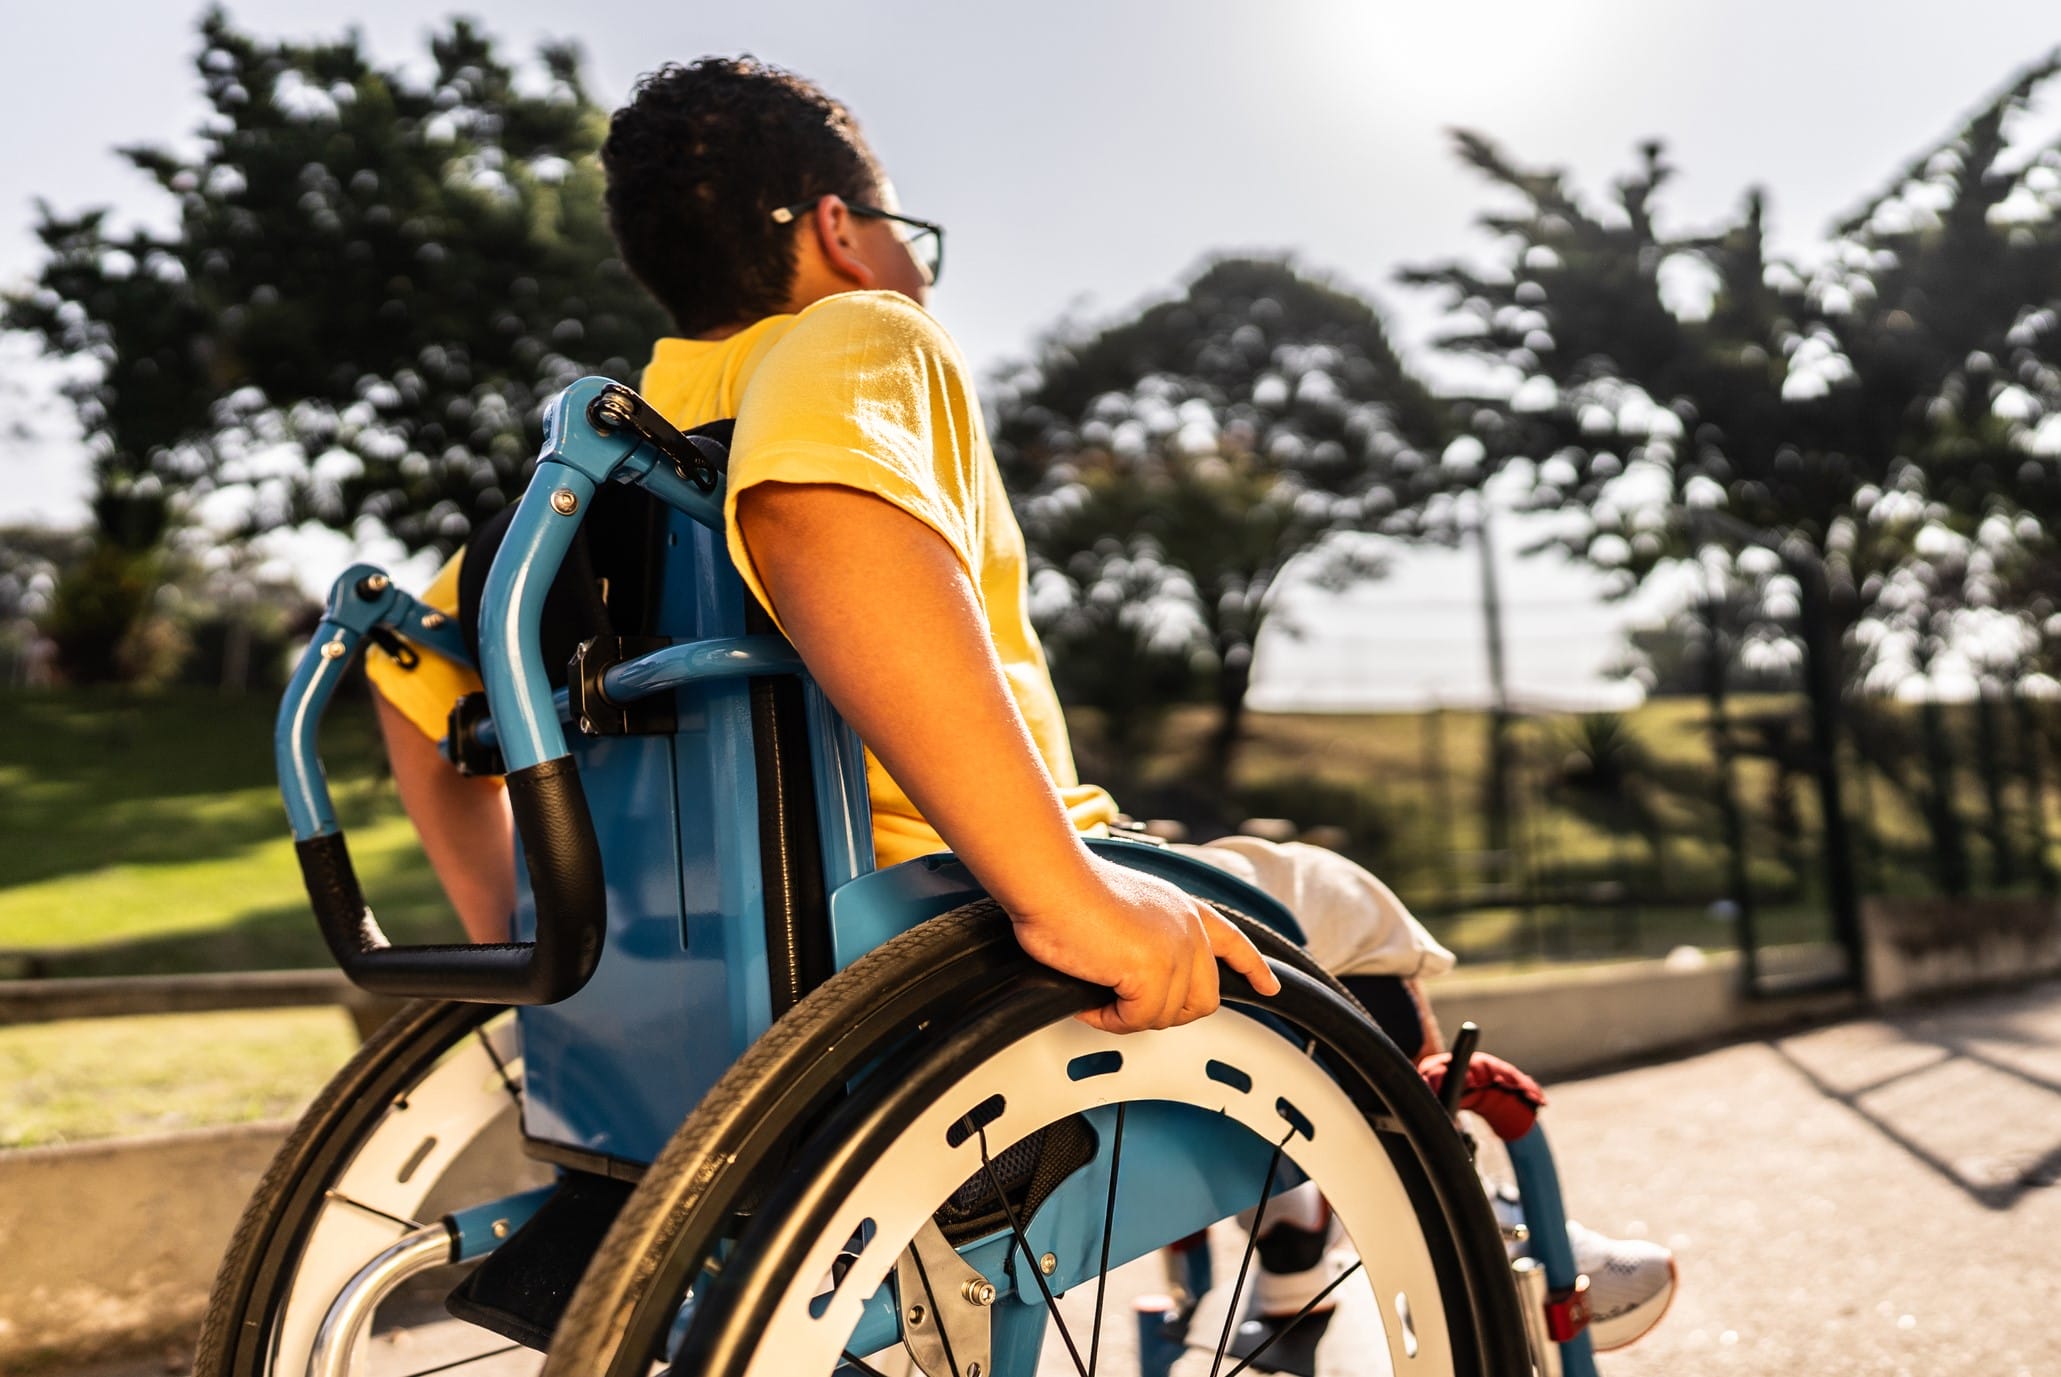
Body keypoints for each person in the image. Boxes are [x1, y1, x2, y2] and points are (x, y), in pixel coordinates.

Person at [361, 56, 1672, 1354]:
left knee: (1187, 899)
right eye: (900, 231)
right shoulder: (861, 333)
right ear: (836, 229)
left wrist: (546, 959)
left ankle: (1289, 1236)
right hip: (928, 935)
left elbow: (413, 684)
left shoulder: (600, 467)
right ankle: (1455, 1235)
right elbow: (816, 511)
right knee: (1326, 905)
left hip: (698, 1007)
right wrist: (1059, 888)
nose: (911, 264)